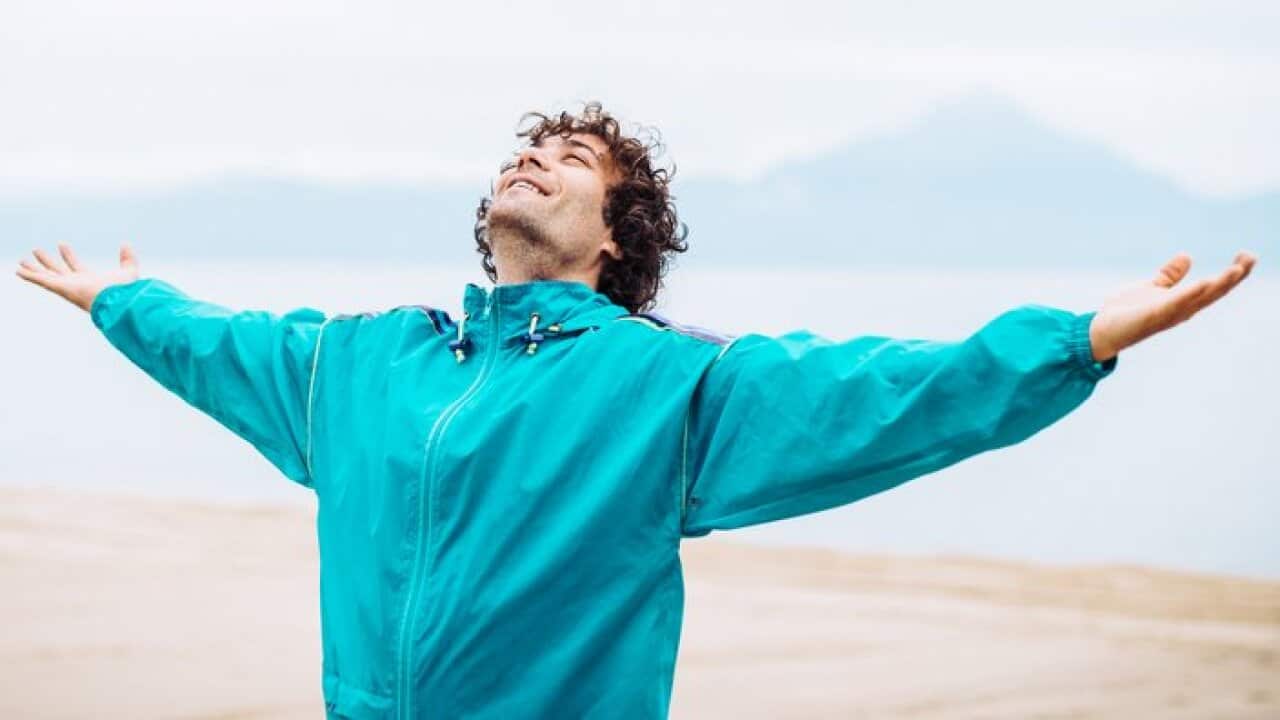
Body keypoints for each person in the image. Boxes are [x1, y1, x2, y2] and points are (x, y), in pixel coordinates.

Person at [15, 100, 1257, 720]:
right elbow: (216, 344)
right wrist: (123, 302)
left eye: (573, 160)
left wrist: (1075, 340)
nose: (534, 159)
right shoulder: (366, 363)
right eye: (525, 147)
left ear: (618, 238)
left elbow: (882, 388)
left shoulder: (664, 386)